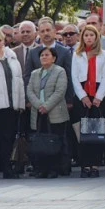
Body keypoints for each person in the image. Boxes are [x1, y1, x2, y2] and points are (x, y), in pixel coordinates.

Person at [72, 23, 105, 178]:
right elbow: (74, 76)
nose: (89, 38)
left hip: (98, 93)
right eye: (86, 35)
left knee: (96, 132)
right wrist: (83, 96)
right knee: (83, 133)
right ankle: (84, 164)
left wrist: (99, 97)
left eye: (91, 35)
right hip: (82, 93)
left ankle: (95, 164)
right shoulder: (77, 54)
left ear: (96, 37)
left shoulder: (104, 54)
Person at [26, 46, 69, 178]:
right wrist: (39, 105)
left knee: (54, 141)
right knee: (39, 141)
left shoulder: (59, 71)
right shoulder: (35, 73)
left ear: (54, 58)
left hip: (55, 112)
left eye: (47, 55)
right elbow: (30, 91)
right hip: (38, 113)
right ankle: (41, 169)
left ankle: (54, 169)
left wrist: (47, 106)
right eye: (42, 55)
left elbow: (60, 91)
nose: (44, 57)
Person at [0, 29, 25, 179]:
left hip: (11, 105)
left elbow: (19, 81)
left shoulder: (12, 57)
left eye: (0, 40)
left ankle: (6, 167)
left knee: (8, 138)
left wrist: (20, 103)